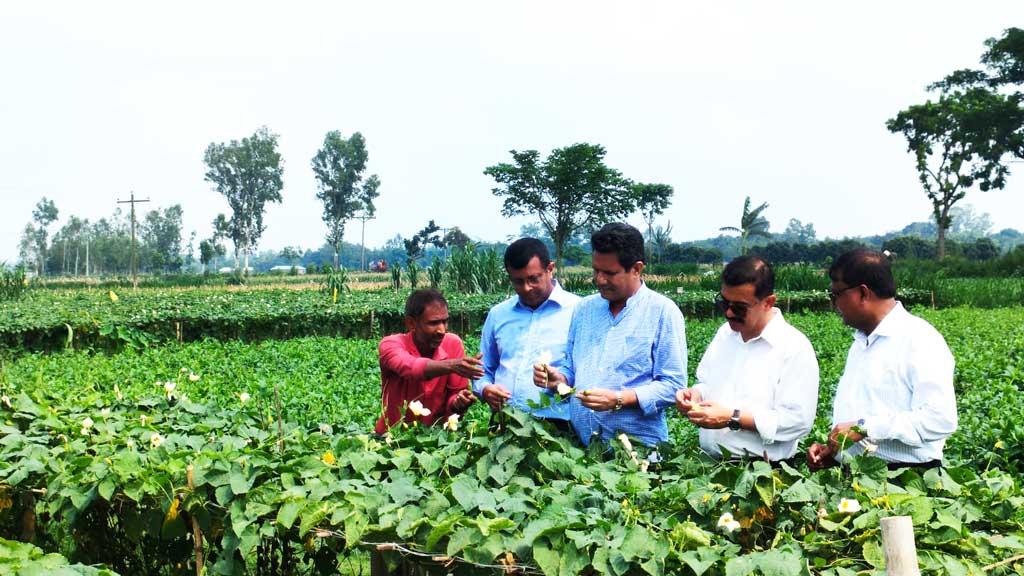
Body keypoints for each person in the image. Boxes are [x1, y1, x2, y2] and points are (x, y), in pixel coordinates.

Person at [534, 223, 687, 447]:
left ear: (636, 268)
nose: (600, 279)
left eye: (610, 273)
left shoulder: (663, 312)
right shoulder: (584, 310)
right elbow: (572, 367)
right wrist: (559, 379)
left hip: (638, 451)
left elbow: (673, 386)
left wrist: (619, 399)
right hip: (584, 447)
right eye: (596, 270)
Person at [807, 249, 957, 470]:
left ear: (863, 293)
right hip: (857, 474)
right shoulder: (861, 342)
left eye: (837, 294)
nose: (835, 304)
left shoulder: (920, 340)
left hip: (902, 480)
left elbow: (940, 419)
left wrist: (863, 428)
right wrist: (835, 451)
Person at [676, 256, 819, 463]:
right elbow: (708, 382)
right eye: (724, 302)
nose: (728, 312)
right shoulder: (725, 334)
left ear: (768, 302)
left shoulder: (793, 347)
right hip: (710, 463)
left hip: (763, 471)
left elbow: (797, 421)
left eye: (739, 308)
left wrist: (733, 418)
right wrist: (695, 394)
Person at [474, 238, 580, 429]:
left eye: (533, 279)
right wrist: (485, 389)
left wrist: (561, 381)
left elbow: (589, 371)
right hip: (504, 420)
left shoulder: (579, 310)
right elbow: (483, 369)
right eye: (518, 281)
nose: (526, 288)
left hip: (558, 424)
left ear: (550, 269)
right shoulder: (499, 314)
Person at [374, 289, 481, 433]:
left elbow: (455, 395)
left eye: (445, 321)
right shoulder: (390, 345)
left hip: (434, 439)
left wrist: (458, 403)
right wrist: (452, 365)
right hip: (392, 436)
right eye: (433, 323)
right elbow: (410, 368)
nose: (441, 330)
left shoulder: (453, 344)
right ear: (411, 323)